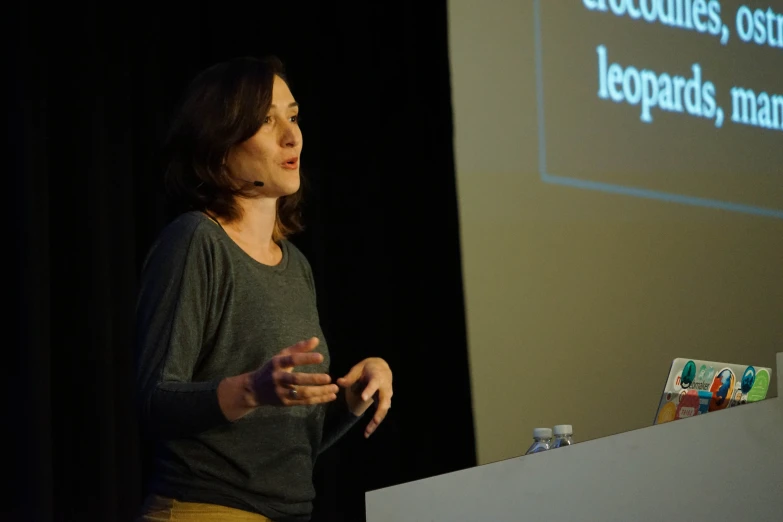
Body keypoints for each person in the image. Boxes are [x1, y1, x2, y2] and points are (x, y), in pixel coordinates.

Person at [134, 56, 393, 522]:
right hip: (208, 509)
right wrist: (252, 389)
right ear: (219, 145)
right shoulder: (196, 241)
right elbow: (155, 400)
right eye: (265, 122)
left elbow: (288, 446)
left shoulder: (296, 266)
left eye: (292, 117)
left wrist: (349, 400)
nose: (291, 136)